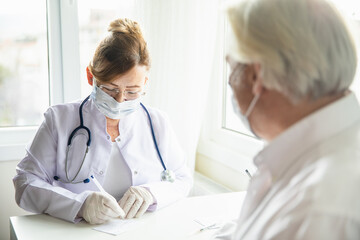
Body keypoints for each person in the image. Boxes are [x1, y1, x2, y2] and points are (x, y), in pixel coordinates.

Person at [13, 18, 192, 225]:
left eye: (132, 91)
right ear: (91, 77)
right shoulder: (58, 120)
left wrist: (151, 193)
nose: (119, 100)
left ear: (145, 83)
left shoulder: (157, 122)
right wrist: (80, 204)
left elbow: (182, 179)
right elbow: (25, 184)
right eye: (110, 89)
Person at [215, 0, 360, 239]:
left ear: (256, 75)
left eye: (232, 68)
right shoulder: (325, 156)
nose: (230, 82)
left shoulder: (319, 211)